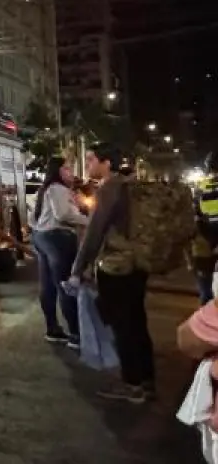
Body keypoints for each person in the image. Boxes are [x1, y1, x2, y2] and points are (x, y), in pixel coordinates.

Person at [70, 142, 155, 404]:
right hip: (138, 264)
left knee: (122, 326)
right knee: (137, 322)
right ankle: (146, 379)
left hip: (117, 267)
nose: (90, 164)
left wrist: (78, 267)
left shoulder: (109, 188)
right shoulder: (131, 186)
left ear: (107, 163)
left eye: (92, 159)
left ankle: (132, 385)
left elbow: (95, 232)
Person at [30, 156, 89, 347]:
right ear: (58, 171)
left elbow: (34, 217)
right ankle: (75, 334)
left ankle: (53, 329)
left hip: (41, 236)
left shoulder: (46, 189)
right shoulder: (58, 189)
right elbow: (63, 214)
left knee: (48, 285)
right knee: (65, 285)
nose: (71, 173)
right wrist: (89, 220)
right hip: (57, 238)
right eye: (67, 169)